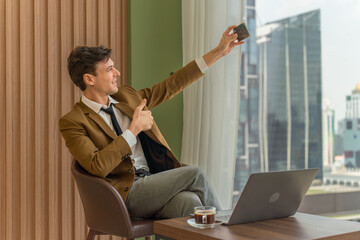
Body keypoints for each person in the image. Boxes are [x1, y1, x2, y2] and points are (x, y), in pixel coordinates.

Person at [59, 25, 244, 219]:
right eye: (110, 69)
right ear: (89, 79)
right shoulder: (73, 122)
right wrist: (133, 130)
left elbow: (171, 85)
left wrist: (218, 52)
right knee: (194, 173)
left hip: (154, 182)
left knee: (190, 203)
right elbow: (98, 166)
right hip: (125, 195)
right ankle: (228, 230)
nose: (117, 73)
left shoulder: (126, 96)